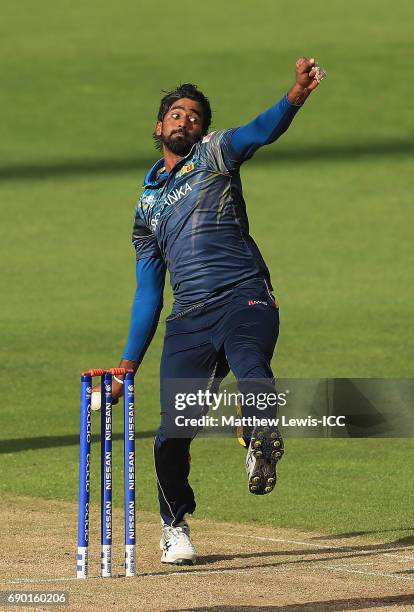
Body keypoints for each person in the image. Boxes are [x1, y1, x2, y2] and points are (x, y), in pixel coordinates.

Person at [92, 57, 325, 565]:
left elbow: (259, 132)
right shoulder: (146, 207)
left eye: (194, 115)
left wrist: (295, 96)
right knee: (173, 434)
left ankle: (258, 430)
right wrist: (126, 366)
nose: (186, 120)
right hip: (189, 320)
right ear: (159, 127)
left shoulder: (217, 153)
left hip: (245, 295)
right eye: (176, 113)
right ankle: (174, 525)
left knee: (252, 365)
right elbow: (148, 293)